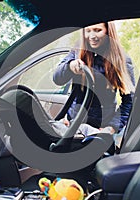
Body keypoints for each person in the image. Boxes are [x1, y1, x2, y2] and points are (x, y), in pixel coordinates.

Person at [53, 21, 135, 149]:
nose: (92, 36)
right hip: (73, 124)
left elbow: (129, 101)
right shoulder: (77, 51)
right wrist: (69, 67)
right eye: (88, 30)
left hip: (99, 130)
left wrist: (111, 128)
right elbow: (57, 78)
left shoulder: (122, 60)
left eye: (97, 30)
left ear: (108, 32)